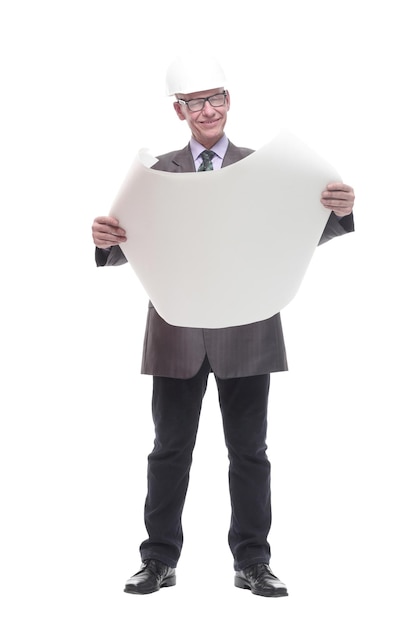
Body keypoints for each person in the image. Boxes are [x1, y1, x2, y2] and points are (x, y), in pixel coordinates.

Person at [92, 57, 355, 597]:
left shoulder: (264, 167)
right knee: (169, 450)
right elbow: (128, 250)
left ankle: (252, 562)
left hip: (247, 330)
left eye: (215, 99)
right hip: (176, 331)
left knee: (250, 452)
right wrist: (104, 241)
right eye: (195, 102)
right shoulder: (156, 173)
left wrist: (339, 211)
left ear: (229, 102)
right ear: (179, 110)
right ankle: (158, 560)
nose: (207, 110)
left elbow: (295, 233)